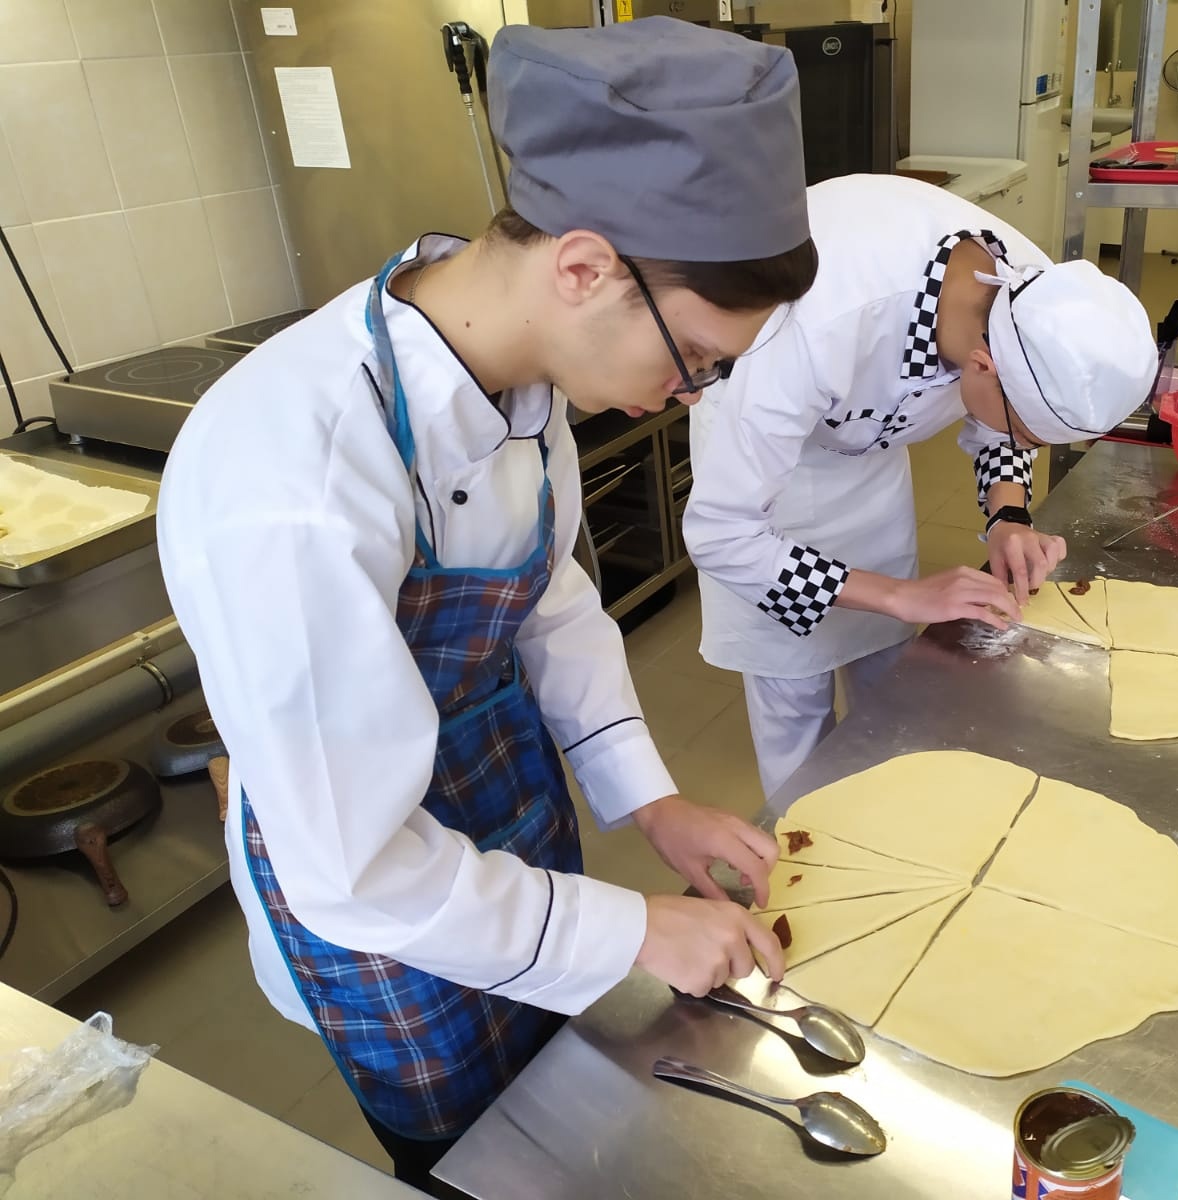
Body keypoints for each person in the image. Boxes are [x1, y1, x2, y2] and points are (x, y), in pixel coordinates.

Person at [156, 20, 815, 1195]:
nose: (693, 394)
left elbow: (546, 595)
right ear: (584, 268)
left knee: (567, 1094)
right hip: (377, 892)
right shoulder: (296, 476)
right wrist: (628, 929)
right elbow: (355, 868)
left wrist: (650, 802)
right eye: (695, 356)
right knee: (479, 1161)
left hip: (503, 796)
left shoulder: (516, 373)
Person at [683, 173, 1157, 798]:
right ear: (982, 363)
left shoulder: (1041, 303)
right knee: (795, 708)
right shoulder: (814, 321)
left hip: (869, 466)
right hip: (769, 485)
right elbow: (721, 533)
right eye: (1026, 433)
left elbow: (1004, 420)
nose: (1022, 445)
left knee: (893, 690)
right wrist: (900, 595)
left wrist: (1008, 516)